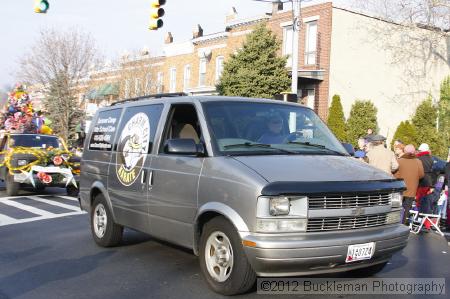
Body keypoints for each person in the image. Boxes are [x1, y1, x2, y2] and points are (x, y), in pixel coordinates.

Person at [394, 144, 424, 224]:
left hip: (400, 186)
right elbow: (421, 175)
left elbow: (394, 173)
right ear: (414, 152)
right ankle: (403, 223)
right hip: (411, 188)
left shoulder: (399, 160)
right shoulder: (418, 162)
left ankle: (395, 222)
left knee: (397, 206)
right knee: (407, 207)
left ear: (404, 151)